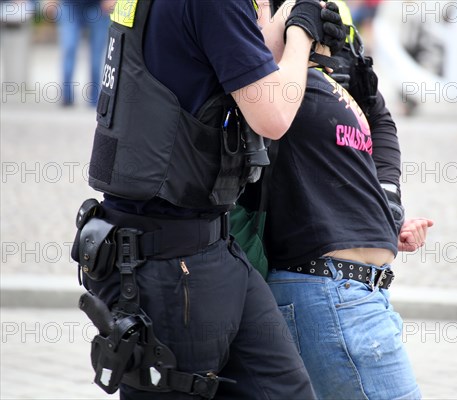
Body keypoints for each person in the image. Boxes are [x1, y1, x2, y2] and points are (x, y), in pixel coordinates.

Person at [73, 0, 345, 399]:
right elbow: (273, 115)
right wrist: (301, 35)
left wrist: (290, 22)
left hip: (204, 247)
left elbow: (229, 60)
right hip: (169, 263)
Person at [252, 1, 434, 398]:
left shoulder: (328, 61)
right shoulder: (276, 74)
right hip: (331, 292)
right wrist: (295, 25)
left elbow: (379, 122)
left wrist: (388, 207)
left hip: (359, 295)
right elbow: (246, 60)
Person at [56, 0, 112, 106]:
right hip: (70, 5)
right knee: (69, 47)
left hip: (98, 6)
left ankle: (95, 98)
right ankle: (67, 96)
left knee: (97, 57)